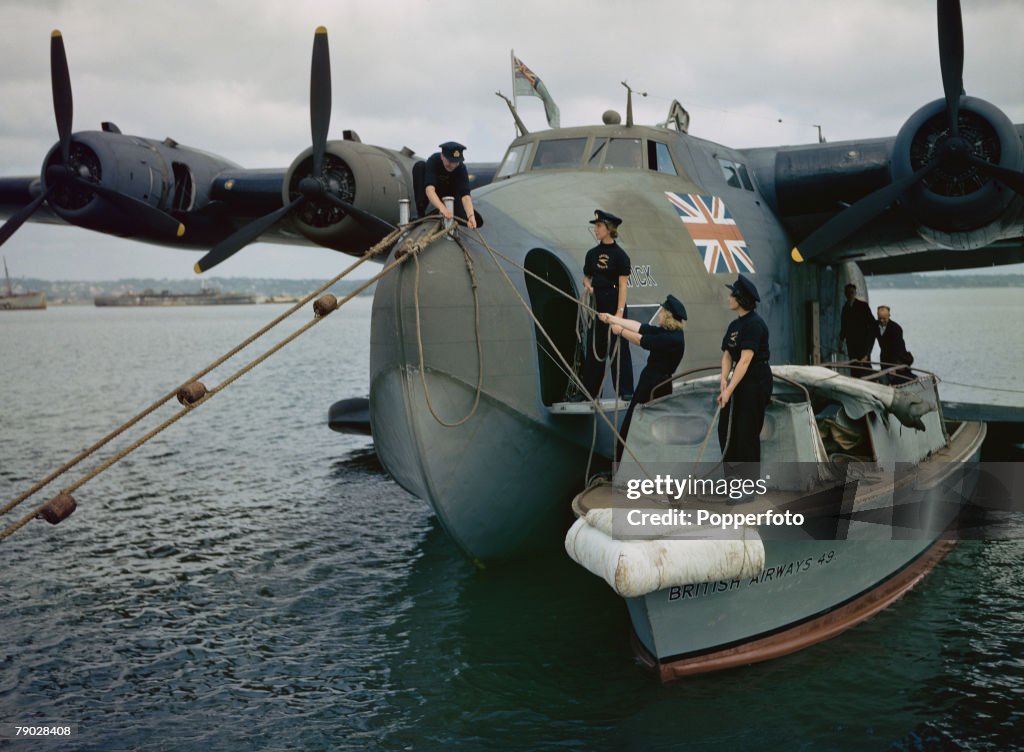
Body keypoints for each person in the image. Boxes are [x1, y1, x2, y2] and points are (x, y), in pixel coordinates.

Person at [600, 295, 687, 462]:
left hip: (653, 385)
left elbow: (641, 340)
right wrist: (612, 319)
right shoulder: (670, 332)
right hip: (655, 382)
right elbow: (640, 327)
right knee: (648, 424)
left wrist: (620, 331)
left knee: (634, 423)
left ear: (667, 316)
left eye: (662, 312)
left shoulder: (671, 339)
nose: (660, 314)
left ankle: (623, 465)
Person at [718, 275, 772, 468]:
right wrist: (724, 380)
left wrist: (729, 390)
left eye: (732, 294)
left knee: (746, 433)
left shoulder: (754, 324)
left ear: (740, 298)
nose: (729, 298)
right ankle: (732, 482)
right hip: (738, 381)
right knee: (726, 430)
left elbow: (745, 360)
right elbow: (728, 355)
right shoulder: (735, 325)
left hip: (755, 381)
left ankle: (746, 488)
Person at [579, 209, 633, 400]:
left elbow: (623, 285)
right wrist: (589, 286)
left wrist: (619, 314)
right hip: (597, 301)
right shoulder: (592, 254)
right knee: (596, 347)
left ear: (609, 229)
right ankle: (590, 393)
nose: (595, 229)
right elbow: (587, 276)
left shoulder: (621, 256)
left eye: (599, 226)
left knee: (619, 348)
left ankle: (625, 391)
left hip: (614, 300)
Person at [421, 141, 478, 229]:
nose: (453, 165)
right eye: (450, 161)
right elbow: (429, 189)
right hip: (436, 191)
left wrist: (471, 216)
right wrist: (442, 208)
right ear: (442, 156)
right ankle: (419, 214)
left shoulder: (461, 168)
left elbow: (465, 196)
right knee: (419, 167)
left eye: (456, 162)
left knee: (462, 217)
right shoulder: (434, 161)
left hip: (453, 193)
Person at [838, 283, 875, 377]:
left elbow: (872, 324)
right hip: (851, 343)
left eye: (852, 292)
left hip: (863, 342)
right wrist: (841, 341)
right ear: (845, 294)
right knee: (854, 366)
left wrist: (868, 348)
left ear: (855, 293)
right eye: (848, 293)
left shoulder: (863, 306)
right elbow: (844, 327)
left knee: (865, 365)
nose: (850, 295)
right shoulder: (845, 308)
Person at [876, 305, 914, 383]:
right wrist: (866, 355)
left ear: (889, 316)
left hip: (898, 360)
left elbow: (899, 348)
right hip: (884, 359)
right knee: (885, 378)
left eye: (884, 318)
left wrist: (895, 367)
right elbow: (870, 339)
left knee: (900, 379)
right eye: (880, 318)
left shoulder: (896, 329)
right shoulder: (875, 325)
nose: (882, 321)